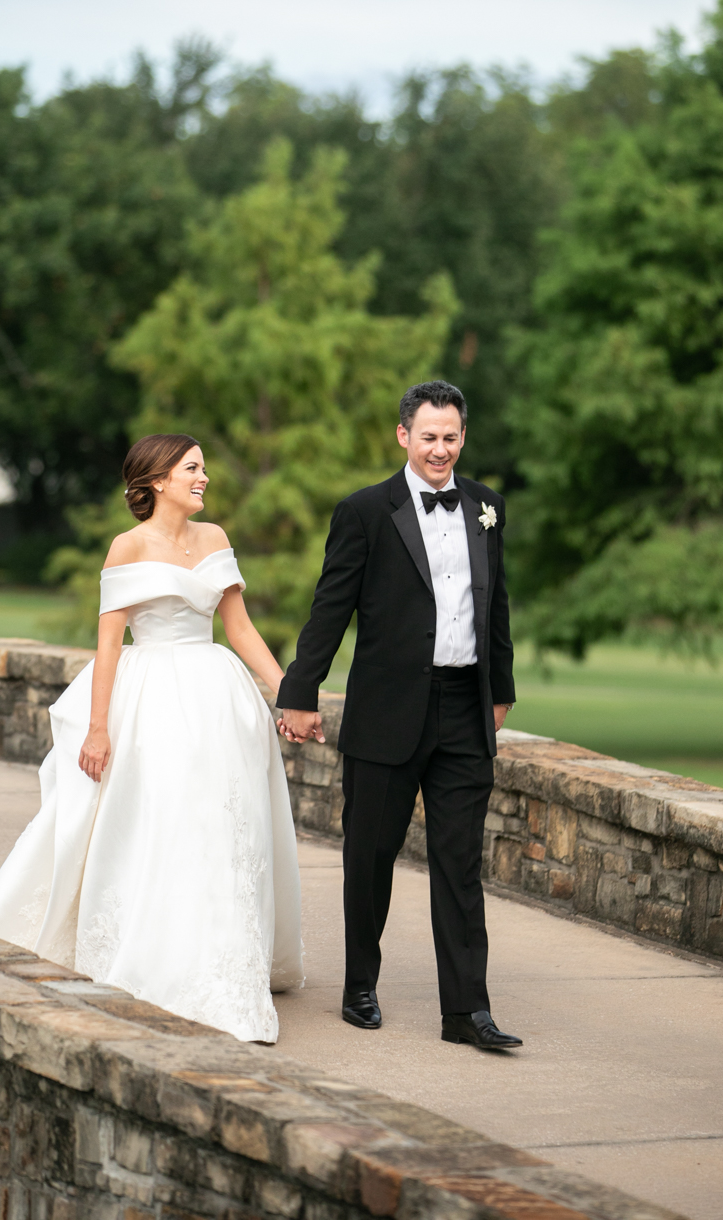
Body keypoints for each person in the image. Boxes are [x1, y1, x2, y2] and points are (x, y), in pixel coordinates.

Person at [0, 433, 304, 1043]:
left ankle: (225, 953)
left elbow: (239, 627)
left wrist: (288, 689)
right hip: (151, 699)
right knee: (166, 821)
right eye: (192, 469)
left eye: (203, 468)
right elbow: (108, 645)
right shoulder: (127, 547)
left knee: (224, 823)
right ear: (157, 479)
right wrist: (98, 729)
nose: (203, 478)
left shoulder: (216, 539)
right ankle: (161, 952)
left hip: (216, 697)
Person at [277, 381, 521, 1051]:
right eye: (428, 437)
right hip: (386, 713)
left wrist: (499, 688)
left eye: (451, 437)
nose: (440, 449)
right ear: (403, 436)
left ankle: (467, 1014)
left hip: (465, 712)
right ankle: (361, 983)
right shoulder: (364, 512)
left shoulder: (487, 508)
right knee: (370, 856)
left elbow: (493, 607)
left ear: (463, 437)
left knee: (459, 864)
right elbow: (331, 608)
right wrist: (300, 691)